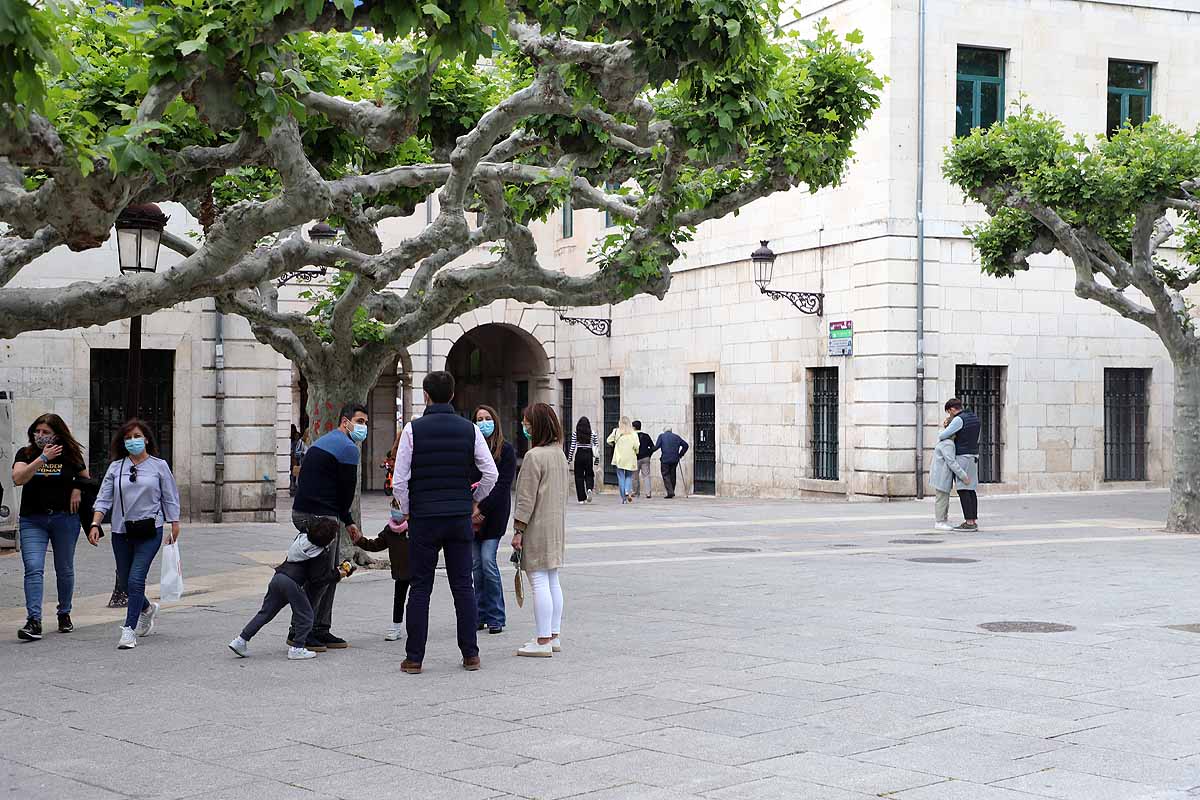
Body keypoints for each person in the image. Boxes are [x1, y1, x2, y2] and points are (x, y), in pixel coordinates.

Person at [394, 371, 498, 674]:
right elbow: (490, 473)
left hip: (425, 518)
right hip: (458, 517)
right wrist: (475, 500)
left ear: (425, 395)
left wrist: (409, 510)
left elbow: (400, 480)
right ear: (452, 395)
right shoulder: (470, 430)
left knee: (420, 587)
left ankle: (414, 658)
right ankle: (470, 655)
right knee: (463, 585)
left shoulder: (413, 430)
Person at [89, 420, 182, 650]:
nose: (133, 441)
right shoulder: (116, 467)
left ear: (147, 439)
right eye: (128, 437)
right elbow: (104, 498)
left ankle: (129, 630)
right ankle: (147, 608)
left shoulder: (159, 466)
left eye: (137, 436)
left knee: (135, 579)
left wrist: (174, 523)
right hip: (121, 530)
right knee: (125, 579)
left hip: (150, 530)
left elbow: (170, 496)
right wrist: (95, 523)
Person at [289, 403, 367, 652]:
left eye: (366, 422)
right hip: (321, 517)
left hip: (306, 512)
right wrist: (349, 522)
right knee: (321, 577)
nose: (363, 427)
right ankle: (302, 630)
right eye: (360, 421)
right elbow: (347, 493)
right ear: (346, 422)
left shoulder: (325, 441)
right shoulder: (348, 448)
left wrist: (344, 519)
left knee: (328, 573)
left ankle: (320, 628)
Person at [228, 518, 353, 660]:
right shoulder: (320, 553)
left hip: (278, 577)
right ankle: (297, 648)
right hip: (292, 584)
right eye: (334, 535)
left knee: (265, 613)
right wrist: (338, 574)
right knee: (306, 616)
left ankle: (240, 640)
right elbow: (317, 579)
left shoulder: (301, 539)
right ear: (328, 540)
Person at [12, 413, 90, 641]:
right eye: (37, 431)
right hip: (32, 520)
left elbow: (87, 479)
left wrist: (77, 489)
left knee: (64, 568)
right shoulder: (26, 454)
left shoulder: (71, 455)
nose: (40, 436)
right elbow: (18, 478)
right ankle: (33, 620)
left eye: (46, 432)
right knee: (33, 567)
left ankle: (64, 613)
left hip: (64, 519)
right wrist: (42, 459)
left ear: (57, 434)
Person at [512, 403, 568, 658]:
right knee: (552, 579)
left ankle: (542, 639)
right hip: (555, 524)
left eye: (527, 422)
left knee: (538, 581)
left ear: (537, 426)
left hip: (537, 526)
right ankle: (553, 635)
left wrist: (518, 529)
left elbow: (525, 498)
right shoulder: (559, 454)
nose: (524, 426)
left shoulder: (535, 456)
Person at [472, 404, 516, 635]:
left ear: (495, 421)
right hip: (472, 515)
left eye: (487, 418)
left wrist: (482, 508)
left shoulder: (505, 450)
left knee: (488, 562)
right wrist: (472, 508)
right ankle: (479, 615)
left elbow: (502, 485)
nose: (483, 422)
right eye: (479, 419)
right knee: (476, 567)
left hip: (494, 514)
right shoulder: (470, 448)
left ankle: (496, 616)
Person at [355, 507, 411, 641]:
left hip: (419, 570)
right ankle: (395, 628)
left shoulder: (417, 526)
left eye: (399, 509)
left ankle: (415, 627)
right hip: (400, 572)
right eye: (394, 509)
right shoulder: (389, 530)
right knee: (399, 600)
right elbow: (375, 545)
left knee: (415, 601)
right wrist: (359, 540)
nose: (395, 513)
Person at [939, 398, 981, 531]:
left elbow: (943, 435)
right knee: (971, 489)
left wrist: (946, 427)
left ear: (952, 409)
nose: (949, 415)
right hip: (973, 455)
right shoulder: (974, 417)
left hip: (963, 456)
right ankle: (973, 520)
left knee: (963, 489)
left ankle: (969, 523)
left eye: (949, 412)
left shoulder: (959, 419)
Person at [930, 419, 969, 531]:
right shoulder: (948, 444)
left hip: (940, 474)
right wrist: (963, 476)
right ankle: (940, 521)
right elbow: (951, 462)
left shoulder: (944, 441)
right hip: (942, 475)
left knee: (943, 498)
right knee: (942, 499)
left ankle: (942, 520)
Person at [606, 416, 639, 504]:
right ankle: (627, 491)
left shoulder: (616, 431)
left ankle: (624, 498)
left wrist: (614, 445)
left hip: (619, 456)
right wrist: (636, 451)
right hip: (630, 457)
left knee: (621, 477)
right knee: (629, 476)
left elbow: (608, 440)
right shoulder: (633, 433)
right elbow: (636, 445)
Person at [567, 417, 600, 504]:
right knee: (589, 474)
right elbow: (596, 447)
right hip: (589, 454)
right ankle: (589, 488)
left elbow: (572, 446)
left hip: (579, 454)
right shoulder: (593, 433)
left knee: (579, 476)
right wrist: (597, 460)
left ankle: (581, 498)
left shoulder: (575, 434)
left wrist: (569, 458)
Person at [653, 427, 690, 499]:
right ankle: (672, 490)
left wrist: (649, 451)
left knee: (665, 474)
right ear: (671, 431)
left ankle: (670, 492)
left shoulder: (662, 436)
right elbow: (686, 445)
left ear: (664, 431)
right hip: (675, 459)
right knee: (673, 474)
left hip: (665, 459)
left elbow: (656, 447)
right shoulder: (676, 437)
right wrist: (680, 454)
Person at [632, 420, 655, 499]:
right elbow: (653, 447)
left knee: (635, 477)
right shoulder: (646, 436)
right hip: (645, 458)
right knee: (646, 476)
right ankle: (648, 493)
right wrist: (649, 454)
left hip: (635, 458)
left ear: (634, 427)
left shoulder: (632, 436)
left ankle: (636, 492)